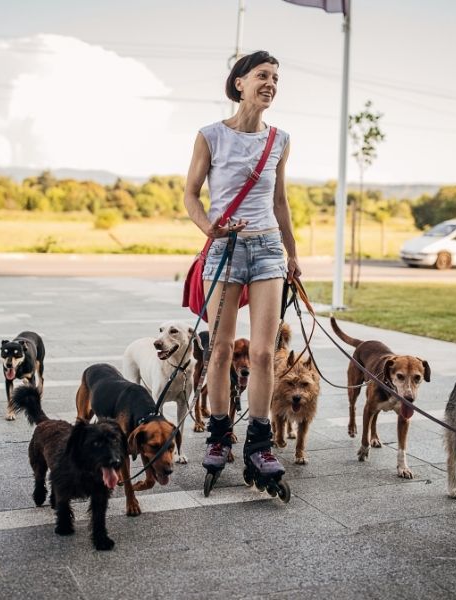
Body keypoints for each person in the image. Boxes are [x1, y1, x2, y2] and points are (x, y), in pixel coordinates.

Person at [183, 50, 301, 488]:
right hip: (225, 248)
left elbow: (279, 201)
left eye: (275, 77)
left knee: (265, 353)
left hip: (268, 248)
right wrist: (209, 228)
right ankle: (218, 435)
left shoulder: (281, 140)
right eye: (262, 76)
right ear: (239, 84)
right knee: (219, 348)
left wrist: (292, 253)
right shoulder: (210, 135)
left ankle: (259, 442)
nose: (270, 83)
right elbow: (191, 195)